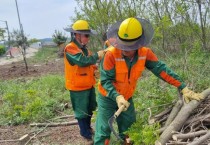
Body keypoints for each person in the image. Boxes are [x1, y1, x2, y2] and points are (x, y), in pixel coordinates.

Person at [94, 17, 203, 145]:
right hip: (107, 97)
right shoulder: (110, 54)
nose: (124, 50)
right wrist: (117, 97)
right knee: (103, 131)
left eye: (128, 47)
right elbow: (106, 81)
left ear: (138, 43)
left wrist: (183, 87)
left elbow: (161, 70)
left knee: (130, 131)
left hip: (127, 98)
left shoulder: (145, 53)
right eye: (122, 45)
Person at [64, 20, 105, 144]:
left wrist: (95, 70)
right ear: (77, 35)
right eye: (86, 35)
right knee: (81, 111)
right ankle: (85, 133)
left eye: (88, 35)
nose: (88, 38)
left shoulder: (85, 50)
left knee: (89, 108)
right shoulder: (70, 48)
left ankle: (88, 128)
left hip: (88, 85)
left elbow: (89, 64)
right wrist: (97, 56)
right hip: (77, 87)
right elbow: (82, 61)